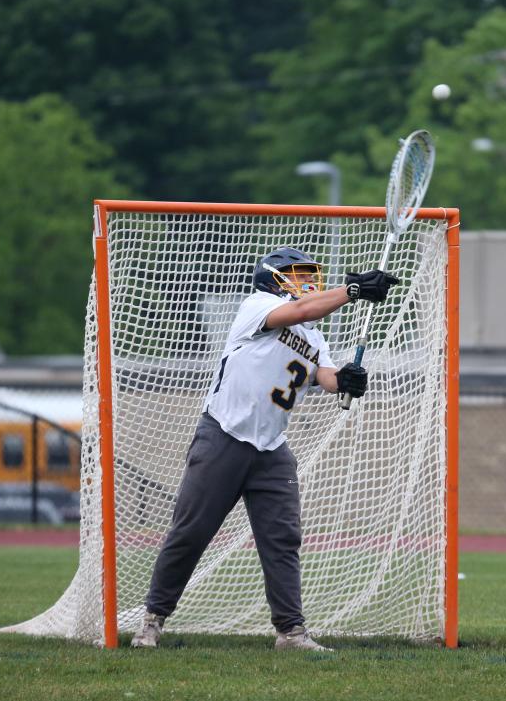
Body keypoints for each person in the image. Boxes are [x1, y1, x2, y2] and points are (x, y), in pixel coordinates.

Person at [131, 247, 399, 651]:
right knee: (191, 532)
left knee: (282, 538)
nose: (309, 280)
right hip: (224, 435)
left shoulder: (313, 336)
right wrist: (354, 289)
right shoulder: (258, 306)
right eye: (299, 273)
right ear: (274, 277)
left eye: (312, 274)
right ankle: (152, 620)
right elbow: (301, 311)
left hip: (271, 448)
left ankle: (290, 632)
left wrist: (346, 379)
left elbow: (320, 375)